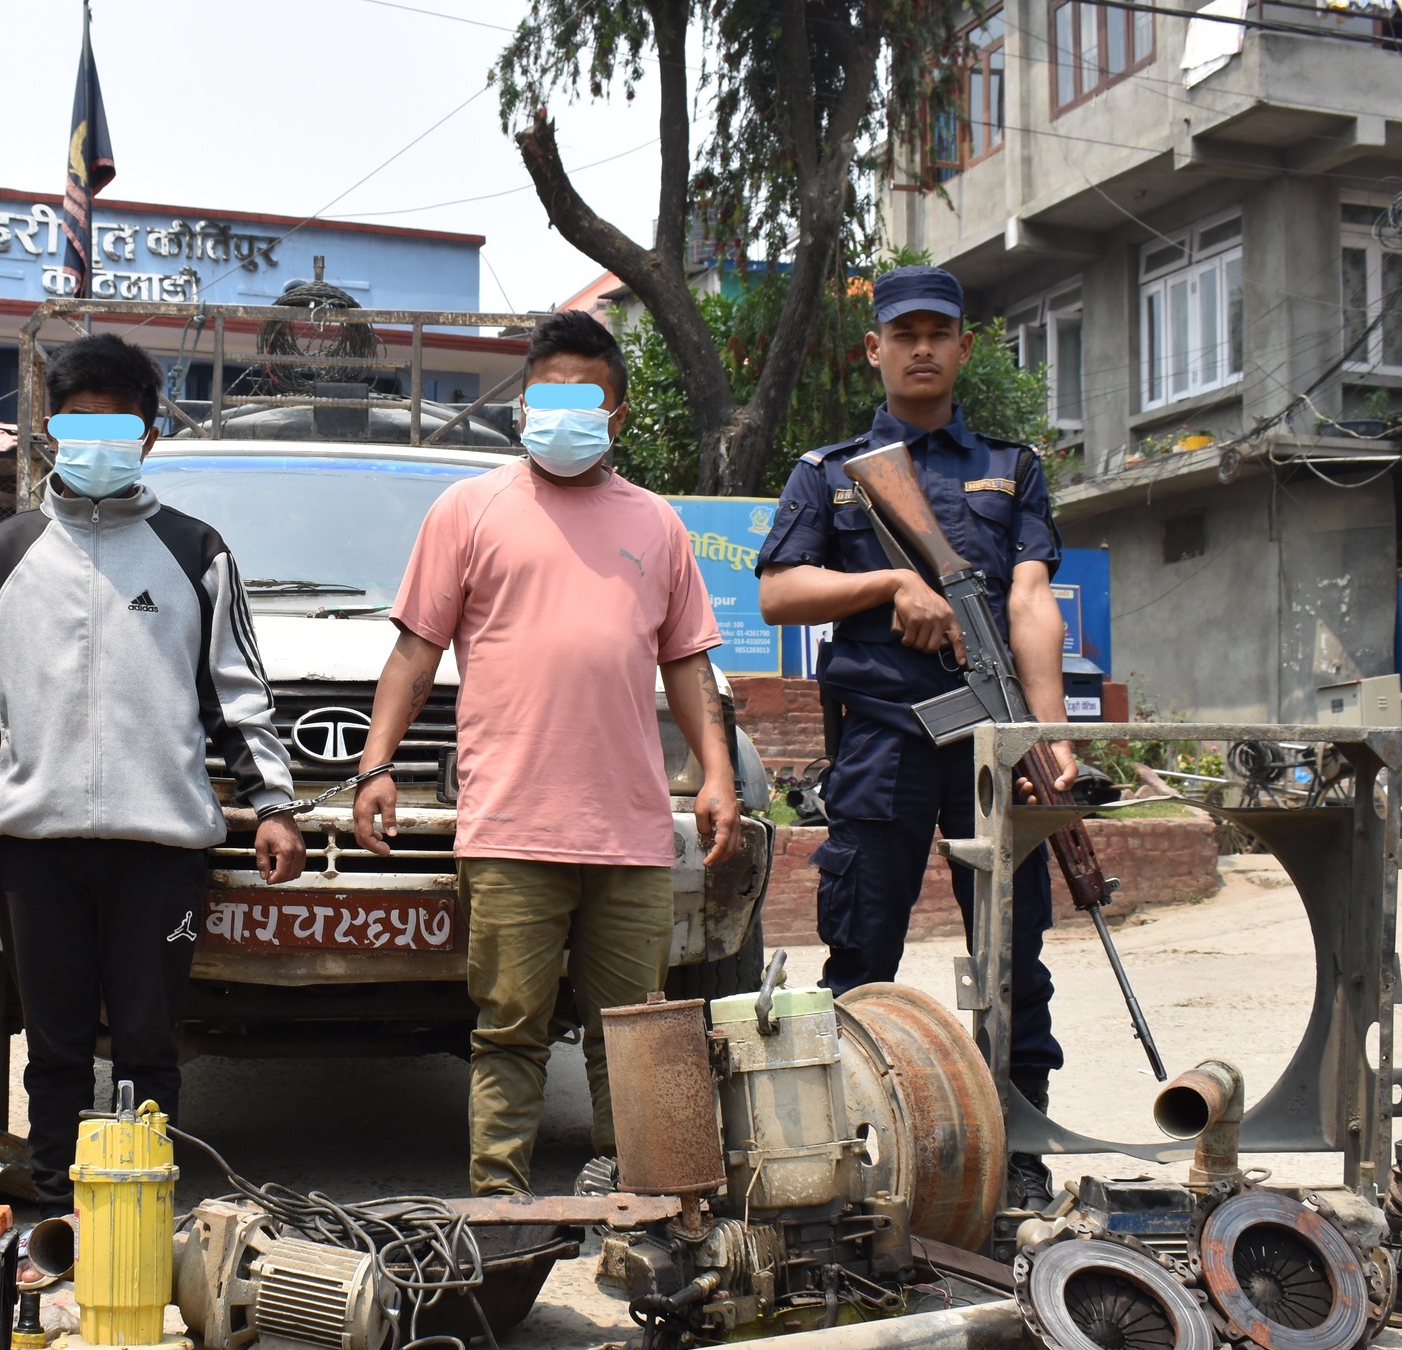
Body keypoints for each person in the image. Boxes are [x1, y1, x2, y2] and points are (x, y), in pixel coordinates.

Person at [351, 309, 743, 1196]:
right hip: (512, 829)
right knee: (509, 1031)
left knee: (639, 1035)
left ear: (618, 416)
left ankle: (651, 1215)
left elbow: (687, 663)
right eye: (546, 395)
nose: (562, 412)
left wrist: (716, 777)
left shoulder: (659, 525)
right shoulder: (468, 509)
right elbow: (415, 653)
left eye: (585, 397)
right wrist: (377, 765)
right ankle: (500, 1211)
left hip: (632, 834)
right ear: (523, 406)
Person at [0, 333, 305, 1211]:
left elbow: (236, 691)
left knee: (147, 1040)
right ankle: (58, 1209)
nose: (99, 441)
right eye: (79, 424)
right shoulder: (2, 553)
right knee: (57, 1043)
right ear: (50, 430)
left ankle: (141, 1205)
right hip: (37, 848)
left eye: (120, 423)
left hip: (160, 851)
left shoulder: (194, 550)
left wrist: (275, 806)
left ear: (148, 434)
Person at [754, 265, 1073, 1209]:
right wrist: (889, 586)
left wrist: (1046, 738)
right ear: (876, 349)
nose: (923, 347)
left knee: (1013, 951)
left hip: (993, 739)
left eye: (940, 332)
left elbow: (1029, 598)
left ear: (964, 346)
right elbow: (779, 588)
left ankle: (1016, 1144)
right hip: (885, 737)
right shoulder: (830, 472)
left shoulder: (1013, 468)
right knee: (861, 945)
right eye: (906, 334)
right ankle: (841, 1146)